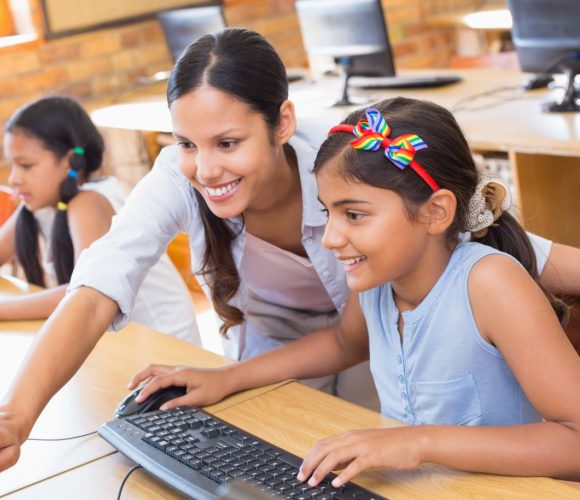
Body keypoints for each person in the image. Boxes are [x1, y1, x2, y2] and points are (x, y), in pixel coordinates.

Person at [0, 29, 580, 478]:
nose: (204, 168)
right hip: (364, 430)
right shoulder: (374, 269)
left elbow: (504, 243)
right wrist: (17, 415)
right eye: (185, 143)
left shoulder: (367, 176)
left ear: (282, 122)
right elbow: (99, 282)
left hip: (446, 450)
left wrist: (417, 441)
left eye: (228, 142)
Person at [130, 98, 580, 483]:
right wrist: (227, 377)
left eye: (355, 215)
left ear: (436, 212)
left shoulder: (490, 284)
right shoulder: (380, 283)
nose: (330, 237)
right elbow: (343, 343)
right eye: (328, 212)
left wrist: (418, 442)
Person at [0, 96, 199, 343]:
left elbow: (83, 294)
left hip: (161, 345)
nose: (14, 178)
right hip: (119, 341)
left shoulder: (89, 202)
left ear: (69, 162)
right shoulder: (42, 204)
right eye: (12, 165)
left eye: (26, 166)